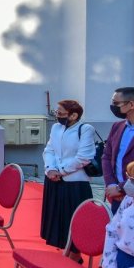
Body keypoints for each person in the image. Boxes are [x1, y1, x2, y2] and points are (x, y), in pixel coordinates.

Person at [39, 100, 97, 254]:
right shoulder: (56, 128)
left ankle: (75, 254)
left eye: (60, 113)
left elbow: (84, 157)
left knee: (74, 219)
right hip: (54, 179)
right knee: (58, 220)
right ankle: (64, 250)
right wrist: (50, 169)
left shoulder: (85, 129)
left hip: (75, 182)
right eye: (56, 112)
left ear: (73, 115)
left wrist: (61, 171)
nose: (57, 115)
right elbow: (49, 150)